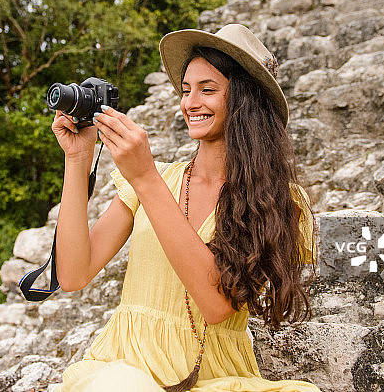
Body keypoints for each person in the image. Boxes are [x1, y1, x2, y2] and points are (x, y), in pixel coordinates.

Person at [51, 24, 318, 392]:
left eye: (208, 90)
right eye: (186, 90)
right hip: (127, 366)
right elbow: (73, 274)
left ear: (244, 100)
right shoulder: (157, 178)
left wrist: (145, 178)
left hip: (215, 377)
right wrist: (77, 158)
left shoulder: (280, 200)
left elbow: (217, 305)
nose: (190, 103)